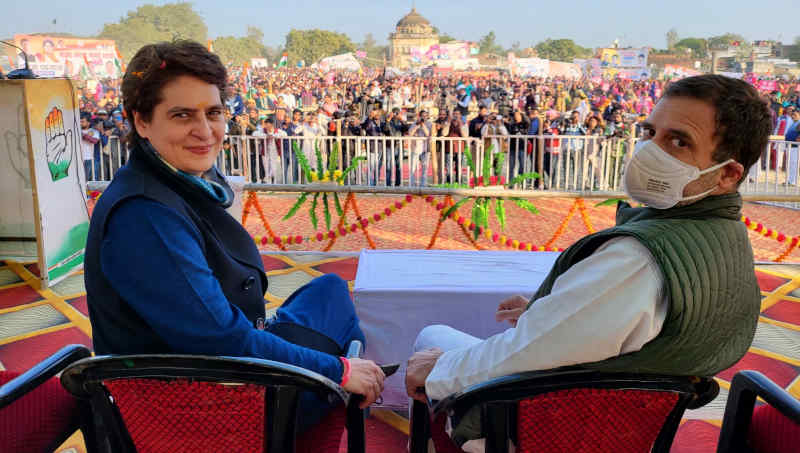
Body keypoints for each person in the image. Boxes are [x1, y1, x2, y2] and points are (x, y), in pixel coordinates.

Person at [405, 75, 771, 452]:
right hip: (631, 428)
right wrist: (551, 308)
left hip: (545, 426)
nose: (650, 150)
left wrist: (441, 370)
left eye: (678, 142)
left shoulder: (637, 259)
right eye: (650, 133)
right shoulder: (729, 239)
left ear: (727, 174)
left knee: (431, 342)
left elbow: (528, 351)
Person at [84, 41, 386, 435]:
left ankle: (343, 399)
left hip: (214, 373)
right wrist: (339, 370)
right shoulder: (145, 217)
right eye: (181, 115)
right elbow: (225, 340)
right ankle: (338, 415)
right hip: (208, 411)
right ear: (141, 121)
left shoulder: (165, 185)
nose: (204, 131)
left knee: (329, 290)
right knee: (350, 353)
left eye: (213, 113)